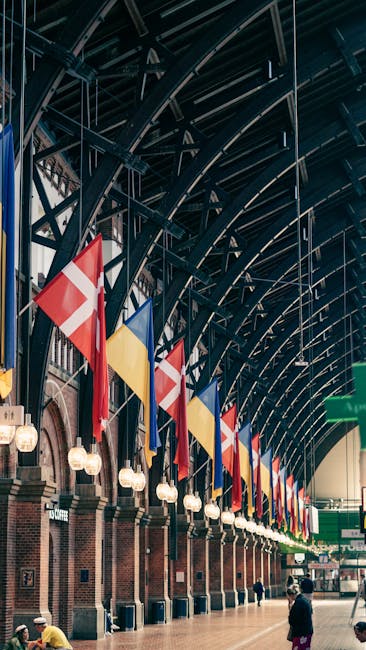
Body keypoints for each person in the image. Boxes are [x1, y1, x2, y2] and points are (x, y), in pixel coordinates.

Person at [287, 584, 313, 649]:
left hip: (301, 633)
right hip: (307, 631)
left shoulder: (297, 603)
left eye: (289, 596)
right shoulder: (304, 599)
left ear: (292, 595)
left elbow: (292, 620)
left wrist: (290, 608)